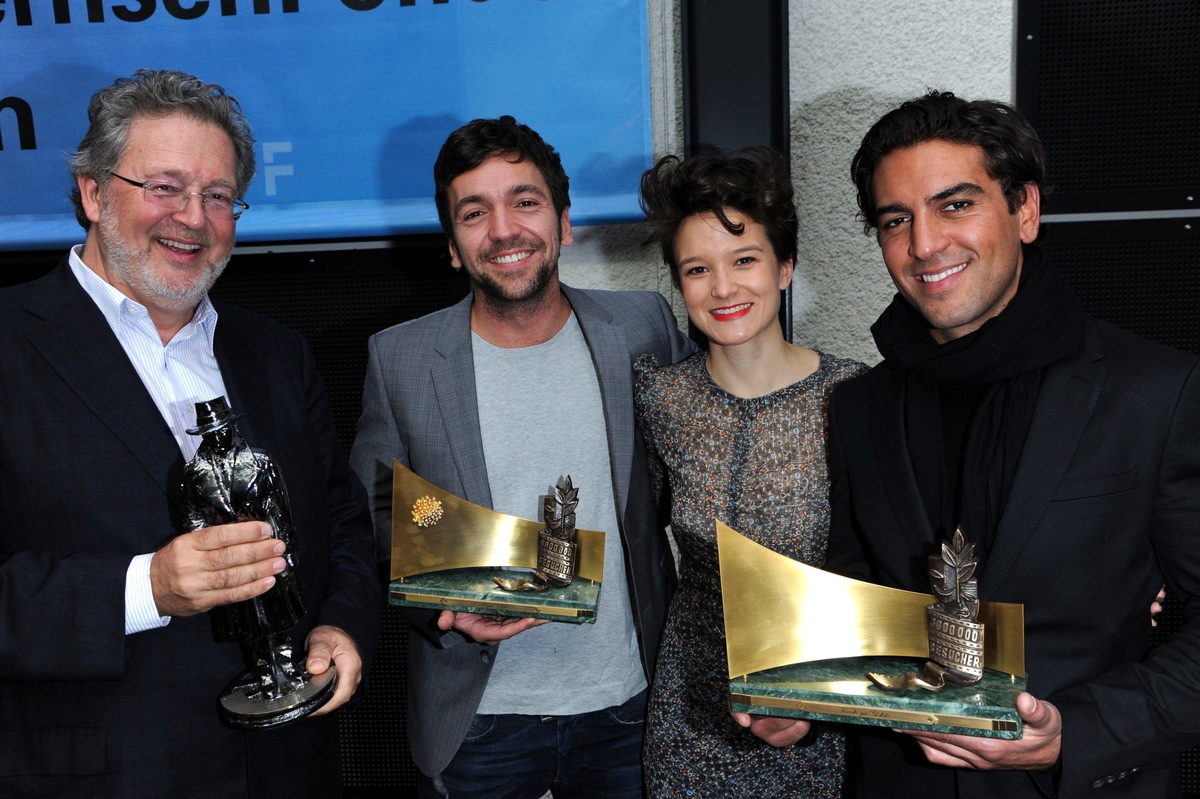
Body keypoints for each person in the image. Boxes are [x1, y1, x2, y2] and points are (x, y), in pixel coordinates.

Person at [746, 91, 1200, 797]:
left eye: (955, 205)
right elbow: (861, 603)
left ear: (1024, 209)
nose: (924, 244)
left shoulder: (1157, 392)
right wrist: (801, 703)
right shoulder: (860, 406)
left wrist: (1070, 733)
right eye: (896, 220)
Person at [0, 69, 380, 797]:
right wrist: (147, 587)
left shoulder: (277, 351)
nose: (193, 217)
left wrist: (341, 625)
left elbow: (342, 522)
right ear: (92, 193)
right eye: (165, 187)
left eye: (216, 196)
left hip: (288, 770)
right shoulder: (10, 344)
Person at [349, 115, 695, 798]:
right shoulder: (400, 358)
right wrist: (443, 609)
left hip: (628, 702)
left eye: (525, 202)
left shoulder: (642, 326)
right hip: (478, 717)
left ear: (563, 223)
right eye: (474, 213)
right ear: (452, 246)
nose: (504, 230)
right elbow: (372, 515)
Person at [634, 147, 865, 798]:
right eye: (697, 269)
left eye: (745, 260)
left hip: (817, 716)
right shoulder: (659, 397)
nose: (724, 287)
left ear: (785, 266)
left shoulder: (852, 396)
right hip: (689, 713)